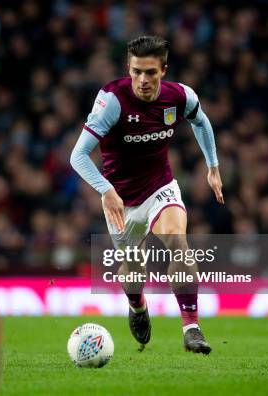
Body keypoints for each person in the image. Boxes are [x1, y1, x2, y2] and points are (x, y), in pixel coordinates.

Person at [70, 36, 224, 354]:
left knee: (177, 242)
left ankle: (191, 327)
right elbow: (78, 156)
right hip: (120, 202)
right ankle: (137, 305)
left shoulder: (180, 96)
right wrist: (106, 189)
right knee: (133, 271)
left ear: (163, 70)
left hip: (160, 189)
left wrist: (213, 167)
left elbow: (202, 122)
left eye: (150, 72)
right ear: (129, 68)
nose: (142, 80)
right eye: (136, 71)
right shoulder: (113, 99)